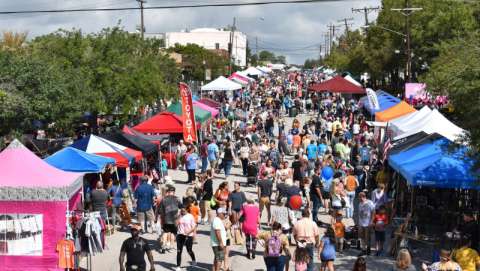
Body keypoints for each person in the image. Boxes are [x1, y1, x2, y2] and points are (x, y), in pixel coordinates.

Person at [157, 185, 181, 253]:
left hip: (166, 219)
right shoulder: (177, 199)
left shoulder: (164, 199)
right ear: (174, 192)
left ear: (168, 192)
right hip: (174, 220)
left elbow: (159, 211)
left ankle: (163, 246)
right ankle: (171, 247)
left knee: (165, 232)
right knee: (173, 233)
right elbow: (182, 207)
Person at [357, 191, 375, 256]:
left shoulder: (370, 203)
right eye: (359, 198)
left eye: (360, 197)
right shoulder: (360, 204)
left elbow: (373, 212)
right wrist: (358, 223)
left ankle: (368, 249)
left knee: (367, 237)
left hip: (368, 223)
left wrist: (372, 221)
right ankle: (363, 250)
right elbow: (359, 214)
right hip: (361, 223)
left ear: (364, 197)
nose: (359, 199)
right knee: (362, 237)